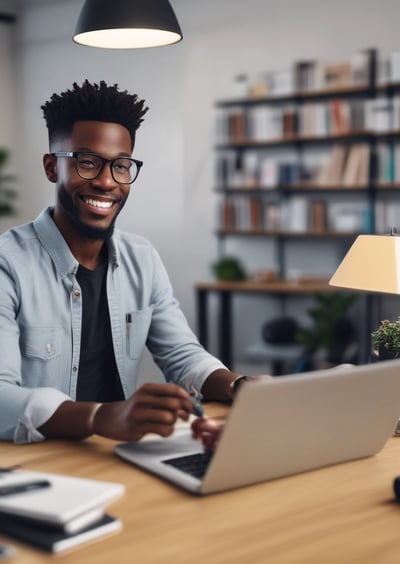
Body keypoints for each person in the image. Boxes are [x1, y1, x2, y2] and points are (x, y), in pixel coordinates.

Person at [0, 80, 261, 445]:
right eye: (87, 163)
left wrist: (241, 386)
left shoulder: (143, 258)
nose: (107, 182)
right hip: (40, 464)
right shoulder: (7, 264)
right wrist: (101, 416)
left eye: (121, 166)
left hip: (119, 452)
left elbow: (182, 355)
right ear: (50, 167)